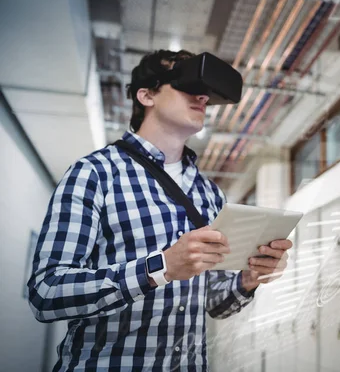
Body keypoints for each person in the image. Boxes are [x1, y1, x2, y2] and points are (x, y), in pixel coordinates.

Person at [27, 49, 292, 371]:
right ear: (147, 94)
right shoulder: (95, 173)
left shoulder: (209, 194)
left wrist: (248, 279)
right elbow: (47, 293)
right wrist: (161, 267)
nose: (202, 97)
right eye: (186, 84)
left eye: (206, 93)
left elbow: (213, 303)